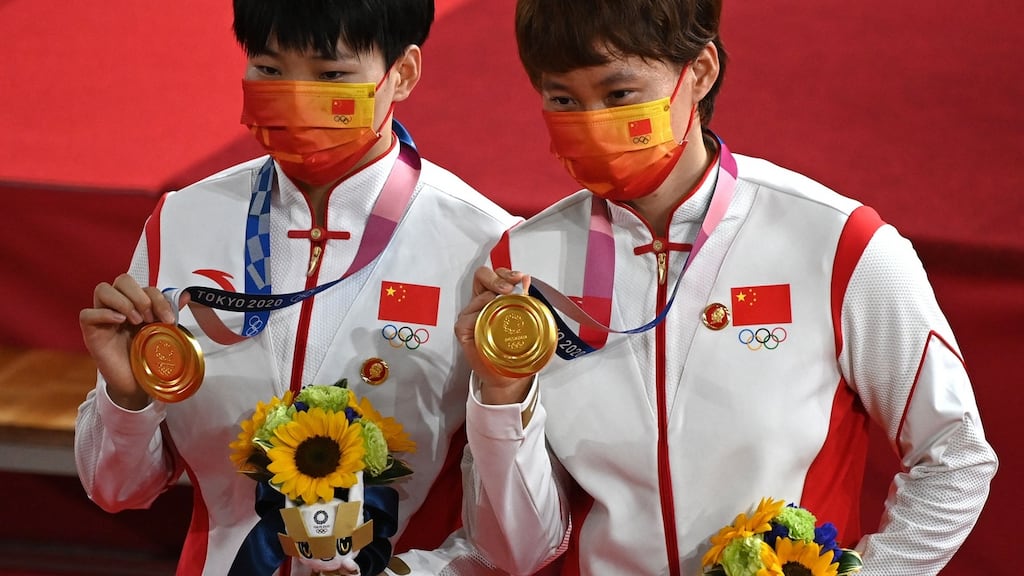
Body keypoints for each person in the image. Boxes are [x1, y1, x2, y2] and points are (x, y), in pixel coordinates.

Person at [454, 1, 998, 575]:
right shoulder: (522, 265)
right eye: (563, 99)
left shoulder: (837, 243)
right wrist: (501, 398)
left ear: (702, 70)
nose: (592, 122)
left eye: (619, 95)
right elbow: (518, 548)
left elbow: (955, 458)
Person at [75, 1, 518, 574]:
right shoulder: (184, 221)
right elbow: (116, 489)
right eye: (268, 69)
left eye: (331, 75)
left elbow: (512, 533)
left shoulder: (484, 243)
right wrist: (128, 399)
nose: (295, 95)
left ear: (403, 73)